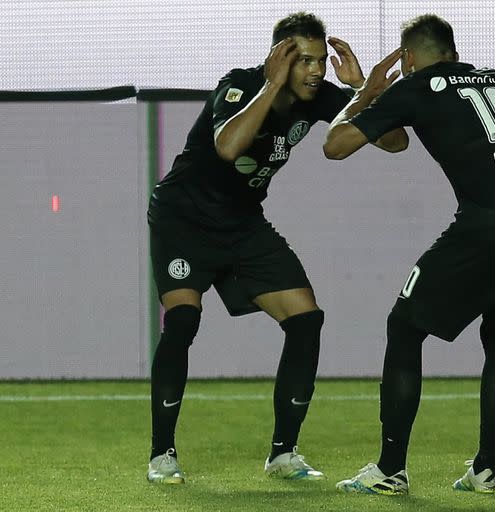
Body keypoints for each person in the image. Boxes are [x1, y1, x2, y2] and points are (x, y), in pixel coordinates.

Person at [145, 12, 408, 484]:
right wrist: (270, 86)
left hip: (243, 225)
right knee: (183, 320)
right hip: (183, 219)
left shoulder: (324, 95)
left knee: (306, 321)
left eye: (319, 61)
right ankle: (162, 454)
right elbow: (228, 147)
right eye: (302, 60)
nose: (314, 71)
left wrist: (365, 92)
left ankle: (283, 455)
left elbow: (395, 141)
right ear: (278, 58)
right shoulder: (241, 85)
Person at [324, 14, 495, 495]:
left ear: (407, 59)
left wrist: (366, 93)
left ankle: (390, 470)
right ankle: (485, 471)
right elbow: (396, 141)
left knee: (404, 325)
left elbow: (336, 146)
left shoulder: (415, 86)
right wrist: (377, 103)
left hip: (489, 224)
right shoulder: (494, 80)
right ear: (453, 52)